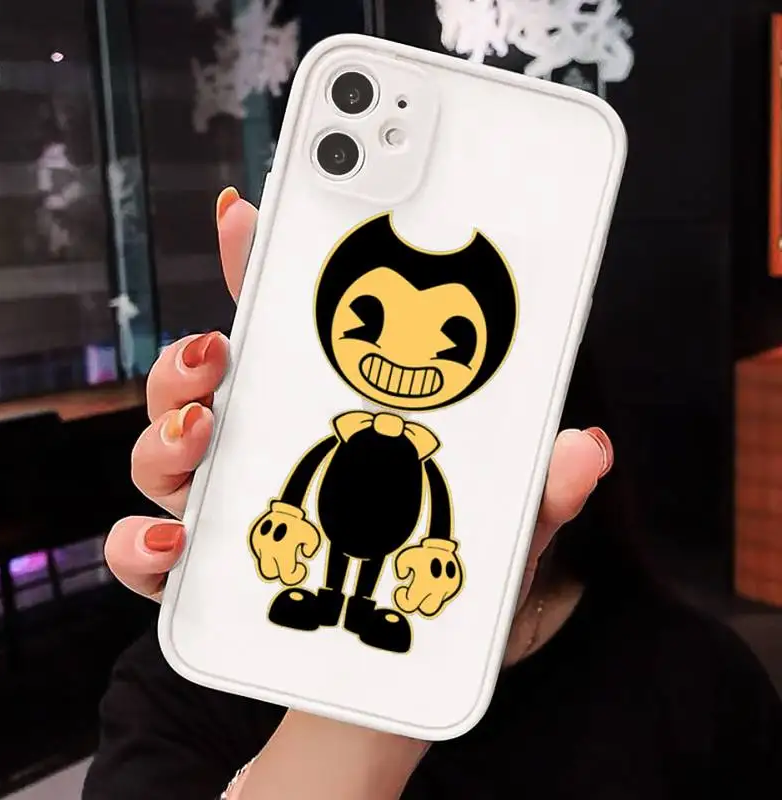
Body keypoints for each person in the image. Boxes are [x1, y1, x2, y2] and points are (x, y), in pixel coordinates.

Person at [83, 189, 782, 800]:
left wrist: (439, 568)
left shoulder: (698, 688)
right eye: (370, 320)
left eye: (449, 334)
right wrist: (365, 696)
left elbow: (436, 509)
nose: (402, 358)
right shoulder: (186, 685)